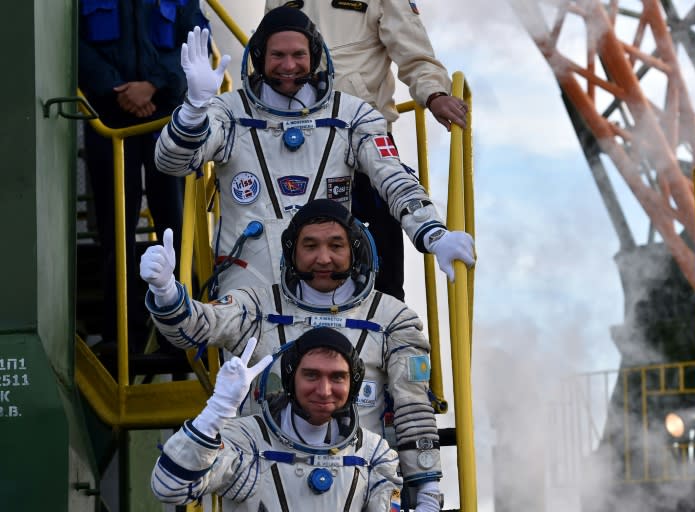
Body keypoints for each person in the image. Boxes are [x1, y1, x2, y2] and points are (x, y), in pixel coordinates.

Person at [141, 199, 445, 511]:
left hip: (354, 473)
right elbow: (196, 328)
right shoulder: (258, 308)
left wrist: (428, 493)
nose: (323, 258)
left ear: (354, 250)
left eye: (336, 245)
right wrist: (166, 293)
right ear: (291, 251)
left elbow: (414, 406)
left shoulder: (393, 319)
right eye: (310, 245)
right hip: (259, 464)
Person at [153, 6, 474, 299]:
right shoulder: (232, 112)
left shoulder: (353, 116)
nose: (288, 65)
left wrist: (434, 93)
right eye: (279, 56)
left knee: (379, 283)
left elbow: (413, 50)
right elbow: (172, 162)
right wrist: (195, 110)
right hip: (282, 153)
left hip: (357, 145)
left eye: (298, 55)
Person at [265, 0, 469, 300]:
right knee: (291, 266)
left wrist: (434, 93)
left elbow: (415, 53)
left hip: (363, 143)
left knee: (379, 273)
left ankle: (387, 339)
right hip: (294, 146)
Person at [151, 328, 403, 510]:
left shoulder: (374, 454)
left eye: (337, 377)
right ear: (291, 379)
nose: (325, 390)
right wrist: (216, 410)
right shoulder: (246, 441)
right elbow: (169, 487)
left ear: (353, 385)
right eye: (311, 375)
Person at [78, 0, 208, 351]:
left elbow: (197, 39)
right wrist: (117, 88)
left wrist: (152, 84)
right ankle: (121, 334)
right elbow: (74, 45)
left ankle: (181, 330)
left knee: (176, 225)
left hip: (166, 119)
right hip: (108, 117)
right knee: (115, 227)